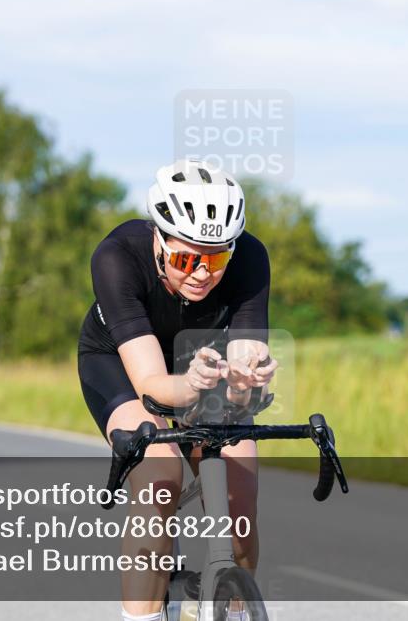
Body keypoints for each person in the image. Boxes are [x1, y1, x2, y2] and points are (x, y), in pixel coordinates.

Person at [77, 159, 278, 621]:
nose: (202, 274)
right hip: (122, 362)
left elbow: (244, 365)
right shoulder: (116, 258)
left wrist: (249, 377)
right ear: (158, 240)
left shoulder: (250, 258)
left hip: (200, 359)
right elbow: (150, 384)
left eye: (216, 260)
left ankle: (226, 599)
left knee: (239, 499)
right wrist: (188, 386)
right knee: (159, 477)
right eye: (187, 259)